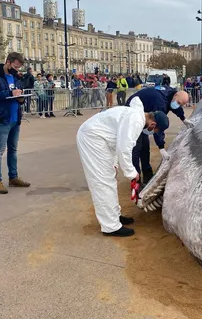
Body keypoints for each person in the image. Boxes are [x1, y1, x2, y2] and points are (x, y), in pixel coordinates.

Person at [76, 97, 170, 237]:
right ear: (153, 124)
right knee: (103, 182)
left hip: (102, 140)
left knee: (110, 179)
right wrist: (132, 173)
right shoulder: (136, 121)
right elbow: (124, 148)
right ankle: (110, 226)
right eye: (155, 130)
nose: (153, 132)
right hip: (93, 139)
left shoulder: (137, 115)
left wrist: (114, 163)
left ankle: (114, 216)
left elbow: (116, 139)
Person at [0, 52, 31, 194]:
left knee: (13, 150)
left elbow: (18, 93)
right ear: (8, 62)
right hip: (1, 119)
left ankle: (13, 177)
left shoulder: (15, 77)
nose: (17, 70)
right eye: (15, 67)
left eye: (19, 68)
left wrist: (21, 97)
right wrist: (10, 94)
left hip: (15, 119)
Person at [126, 87, 190, 184]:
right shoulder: (160, 102)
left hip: (144, 113)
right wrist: (161, 147)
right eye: (178, 102)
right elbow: (158, 126)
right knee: (137, 147)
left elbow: (176, 107)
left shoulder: (171, 95)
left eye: (181, 104)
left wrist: (183, 118)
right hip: (133, 112)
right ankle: (136, 180)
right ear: (176, 95)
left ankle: (147, 175)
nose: (178, 105)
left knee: (145, 146)